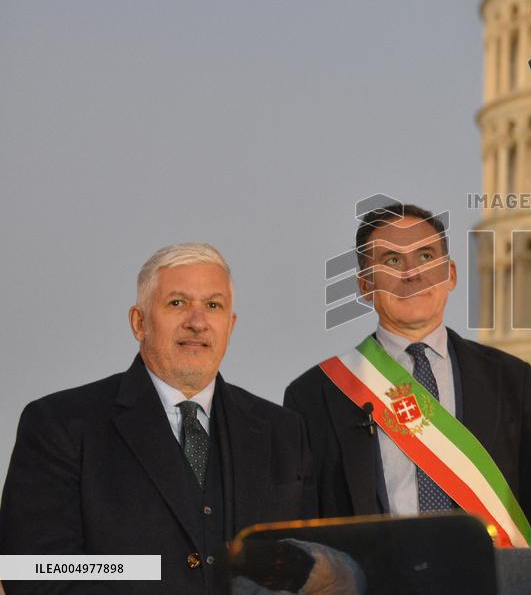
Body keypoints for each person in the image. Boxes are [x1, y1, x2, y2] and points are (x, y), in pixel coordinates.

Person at [0, 243, 315, 594]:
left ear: (231, 325)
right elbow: (35, 570)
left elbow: (315, 565)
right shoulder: (59, 424)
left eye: (213, 306)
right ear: (139, 322)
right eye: (177, 303)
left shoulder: (283, 431)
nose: (197, 322)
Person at [285, 202, 531, 546]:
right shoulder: (318, 393)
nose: (412, 274)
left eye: (426, 256)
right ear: (365, 285)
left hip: (490, 572)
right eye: (392, 261)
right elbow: (307, 529)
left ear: (451, 275)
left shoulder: (509, 379)